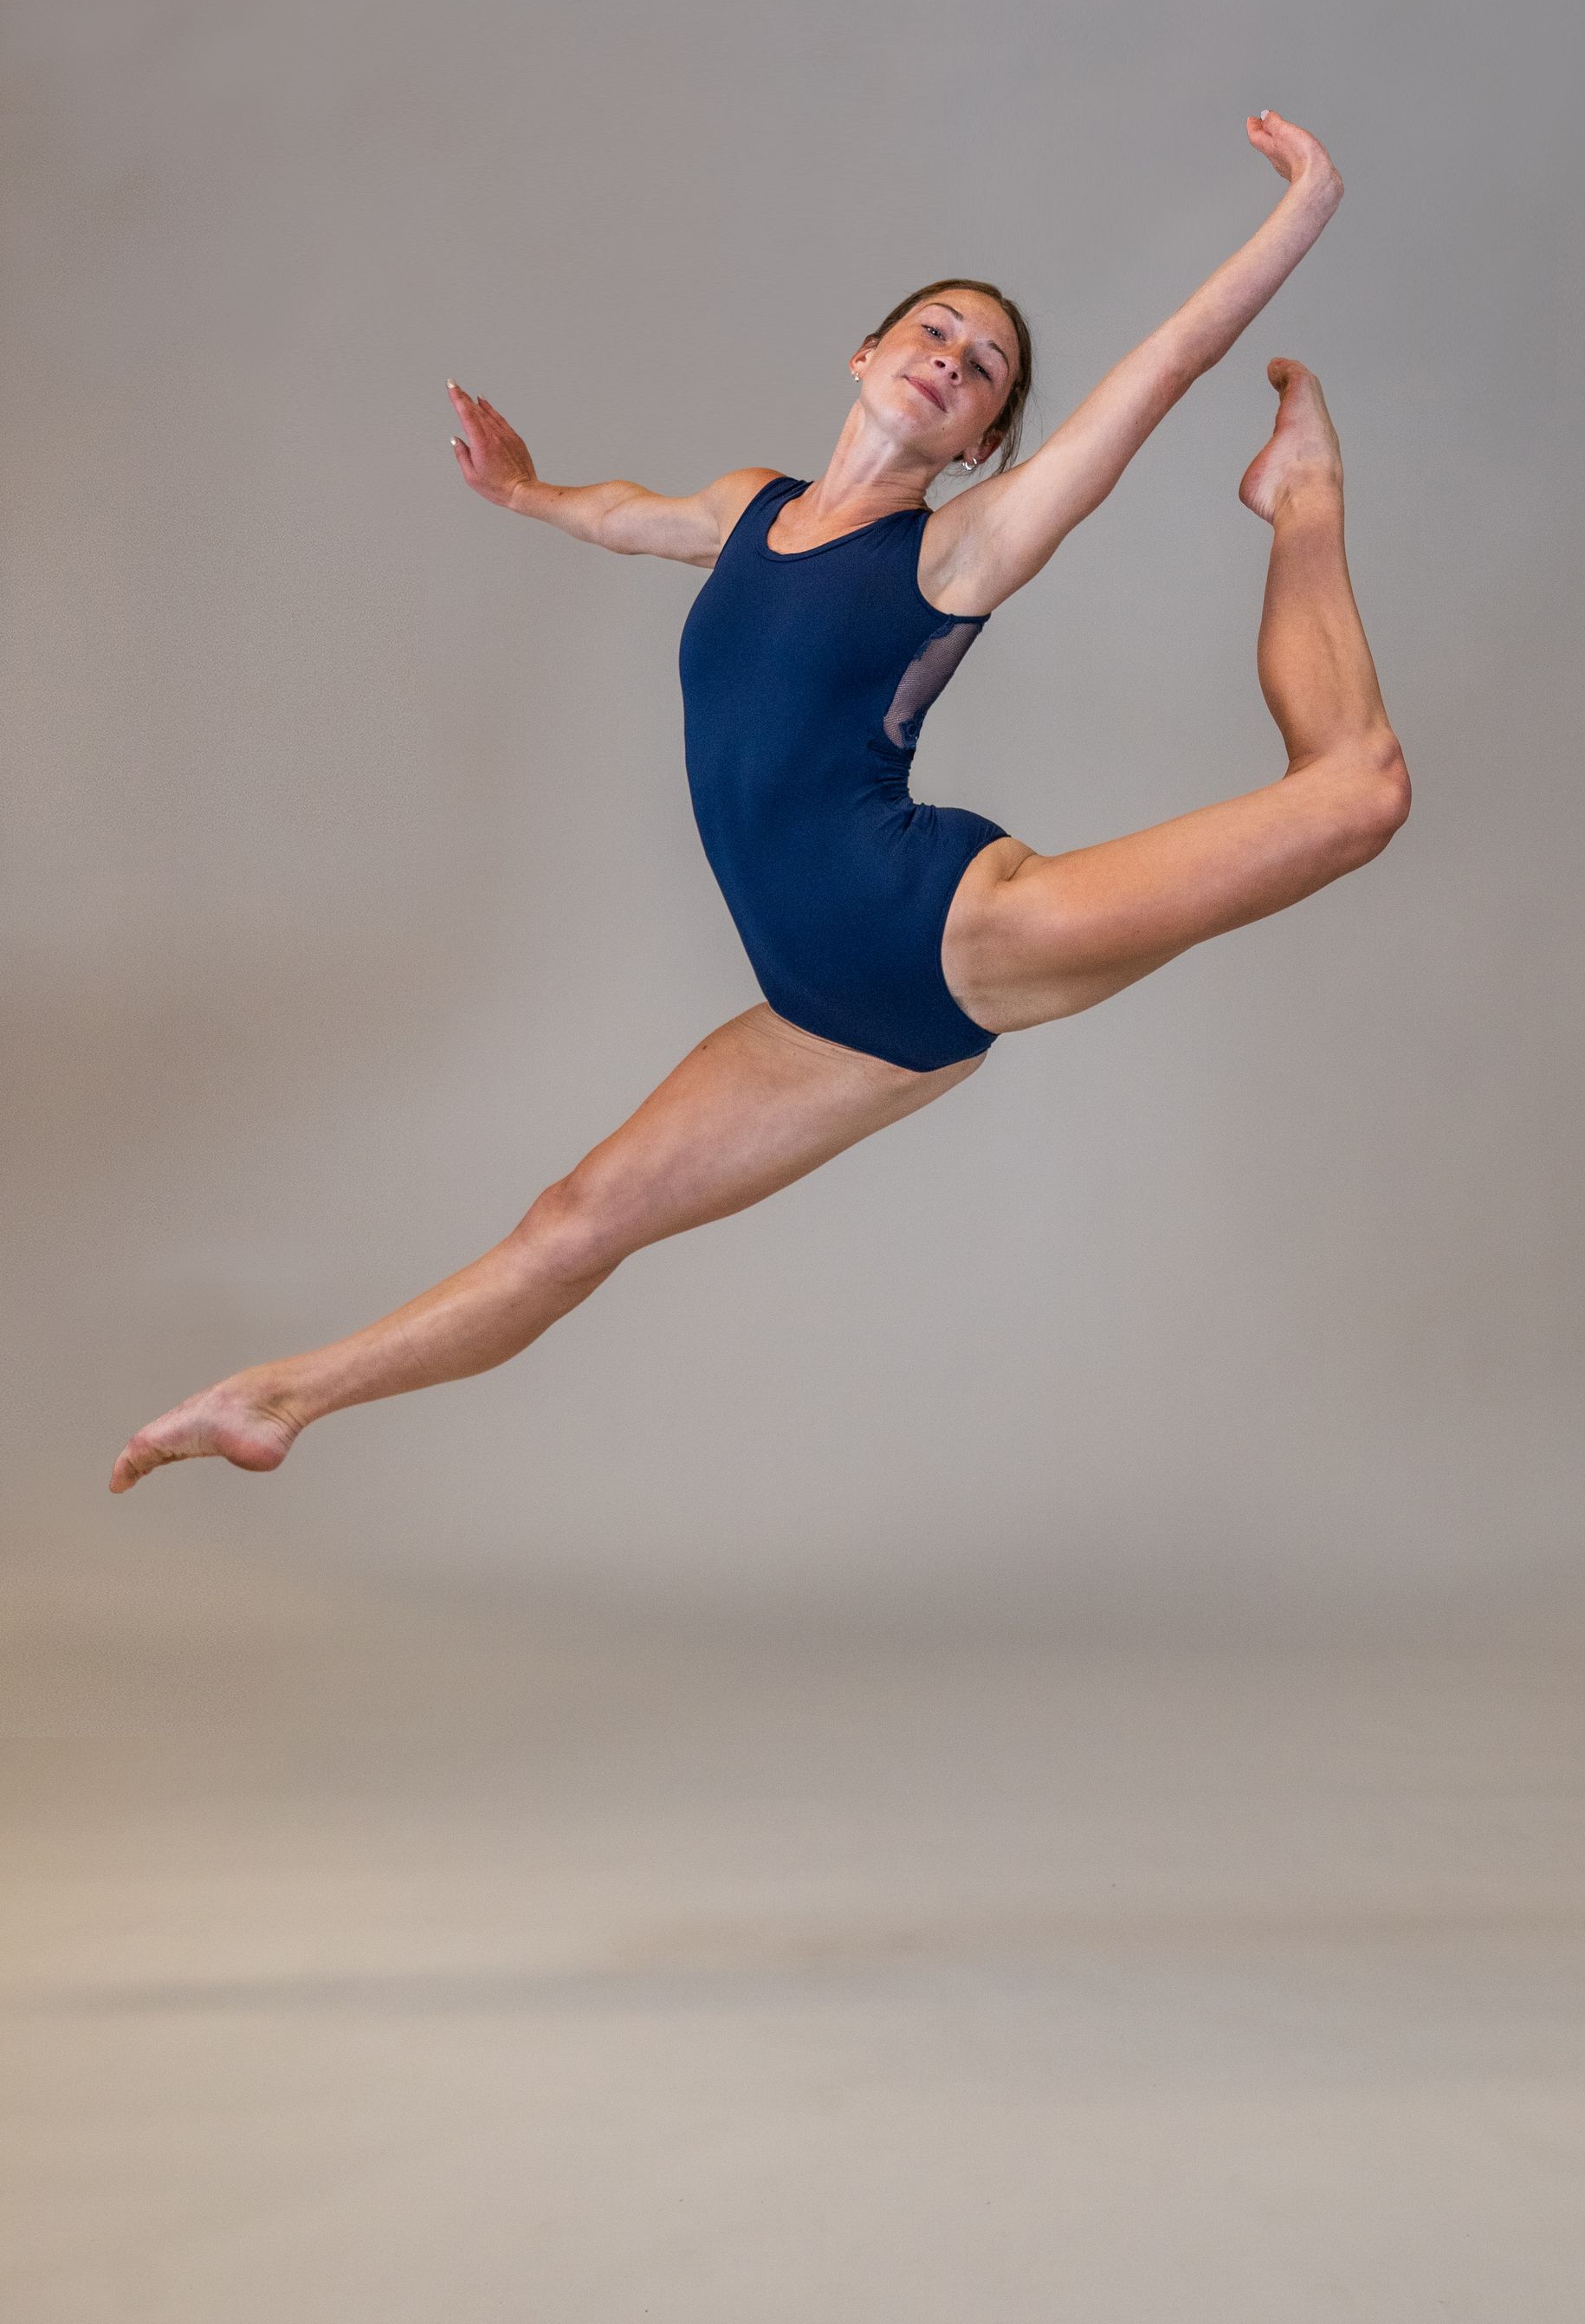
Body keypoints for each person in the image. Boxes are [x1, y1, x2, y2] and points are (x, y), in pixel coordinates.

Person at [109, 109, 1407, 1494]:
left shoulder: (963, 547)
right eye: (936, 333)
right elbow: (627, 514)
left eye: (985, 373)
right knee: (573, 1222)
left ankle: (1304, 496)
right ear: (865, 355)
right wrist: (527, 493)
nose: (953, 362)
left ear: (979, 443)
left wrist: (1302, 208)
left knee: (1356, 796)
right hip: (823, 1014)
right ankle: (279, 1400)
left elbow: (1159, 372)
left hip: (938, 925)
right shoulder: (744, 509)